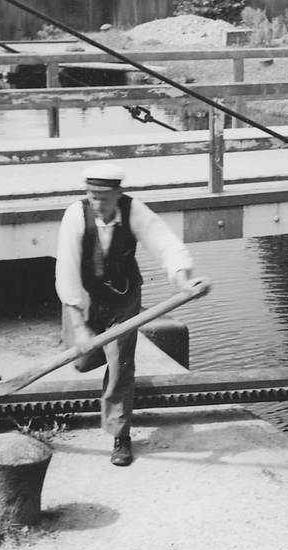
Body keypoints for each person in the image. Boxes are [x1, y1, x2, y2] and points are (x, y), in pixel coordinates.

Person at [55, 163, 199, 466]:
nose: (97, 204)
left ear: (118, 193)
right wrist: (80, 326)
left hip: (123, 300)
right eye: (91, 196)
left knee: (120, 361)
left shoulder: (134, 211)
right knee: (81, 360)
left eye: (104, 198)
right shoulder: (75, 216)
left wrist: (183, 278)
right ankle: (96, 354)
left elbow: (165, 244)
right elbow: (66, 272)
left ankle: (120, 435)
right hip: (85, 298)